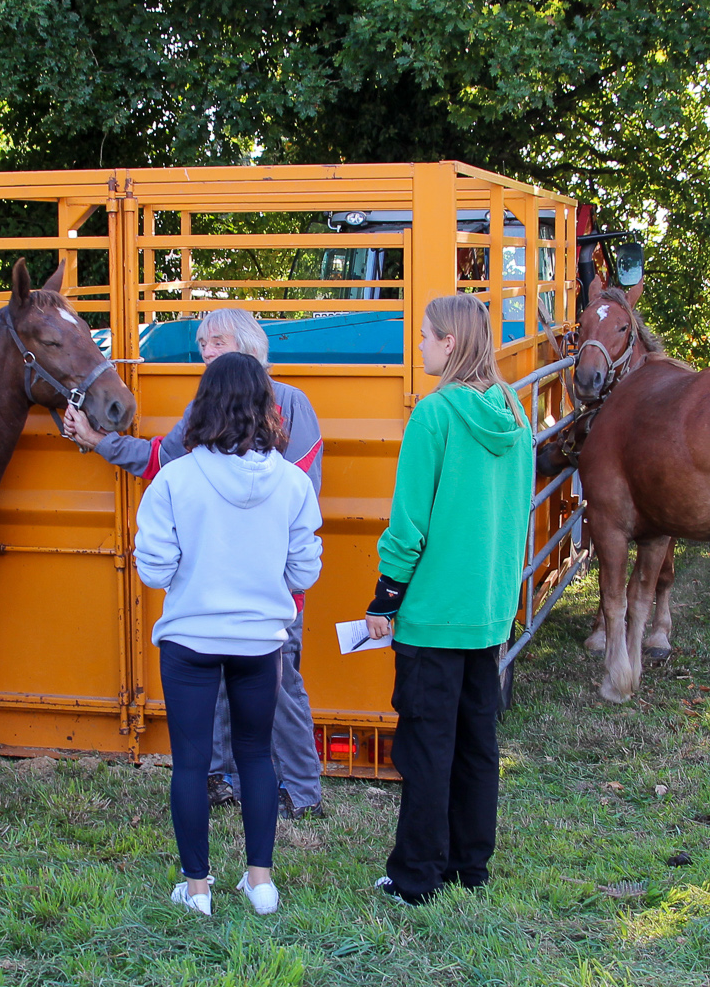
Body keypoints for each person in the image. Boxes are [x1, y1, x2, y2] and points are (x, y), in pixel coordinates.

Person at [64, 307, 329, 817]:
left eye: (217, 340)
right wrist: (100, 442)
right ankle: (224, 779)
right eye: (202, 342)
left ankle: (301, 791)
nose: (207, 350)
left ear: (250, 344)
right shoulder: (206, 407)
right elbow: (163, 460)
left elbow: (297, 495)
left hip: (268, 591)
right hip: (240, 585)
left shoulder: (292, 404)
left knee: (281, 686)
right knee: (228, 688)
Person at [134, 353, 323, 916]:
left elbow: (155, 570)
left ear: (204, 405)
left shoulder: (175, 478)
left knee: (191, 763)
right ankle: (261, 883)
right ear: (268, 407)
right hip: (261, 643)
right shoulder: (291, 482)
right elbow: (305, 572)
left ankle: (197, 891)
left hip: (189, 640)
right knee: (257, 757)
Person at [363, 294, 533, 904]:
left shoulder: (433, 415)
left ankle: (416, 877)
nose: (420, 346)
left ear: (451, 344)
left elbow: (409, 525)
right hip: (487, 611)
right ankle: (469, 866)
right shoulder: (513, 412)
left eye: (426, 336)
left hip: (432, 614)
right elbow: (517, 519)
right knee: (477, 743)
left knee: (425, 746)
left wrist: (384, 599)